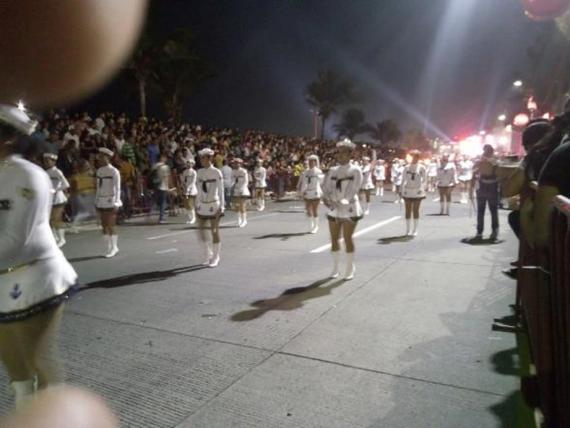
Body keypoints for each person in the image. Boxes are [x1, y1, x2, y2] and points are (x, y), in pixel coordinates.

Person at [0, 103, 77, 408]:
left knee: (38, 359)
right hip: (3, 279)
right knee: (13, 361)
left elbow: (16, 240)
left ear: (7, 137)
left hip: (36, 276)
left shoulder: (27, 176)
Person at [323, 139, 363, 280]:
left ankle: (350, 267)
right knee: (334, 239)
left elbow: (354, 188)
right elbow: (326, 187)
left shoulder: (355, 170)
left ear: (350, 155)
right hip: (334, 207)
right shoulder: (333, 170)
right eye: (338, 153)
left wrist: (344, 201)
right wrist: (326, 199)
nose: (339, 156)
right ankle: (335, 267)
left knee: (347, 238)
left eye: (343, 153)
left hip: (350, 207)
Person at [195, 148, 224, 267]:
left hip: (213, 204)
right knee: (201, 231)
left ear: (210, 158)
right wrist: (197, 203)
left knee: (214, 231)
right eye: (200, 157)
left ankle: (216, 257)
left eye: (203, 157)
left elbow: (221, 190)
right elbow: (198, 189)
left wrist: (222, 205)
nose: (201, 160)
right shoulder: (199, 172)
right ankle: (208, 254)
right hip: (202, 205)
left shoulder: (217, 172)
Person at [95, 147, 122, 257]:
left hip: (111, 200)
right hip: (101, 200)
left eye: (102, 156)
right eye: (99, 156)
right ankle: (110, 246)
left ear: (108, 157)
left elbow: (117, 187)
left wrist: (116, 202)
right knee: (104, 225)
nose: (100, 158)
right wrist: (96, 201)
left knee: (111, 224)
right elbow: (98, 187)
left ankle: (114, 247)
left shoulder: (114, 171)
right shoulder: (99, 171)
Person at [471, 144, 500, 241]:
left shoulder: (482, 161)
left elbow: (474, 174)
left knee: (482, 211)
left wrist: (471, 188)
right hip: (490, 187)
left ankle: (481, 233)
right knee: (492, 211)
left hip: (484, 187)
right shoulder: (495, 161)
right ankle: (493, 232)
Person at [42, 153, 70, 247]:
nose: (46, 162)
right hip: (48, 199)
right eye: (45, 161)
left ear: (53, 161)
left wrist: (55, 190)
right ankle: (54, 237)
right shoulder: (45, 172)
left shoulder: (57, 172)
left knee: (57, 219)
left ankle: (62, 238)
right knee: (49, 220)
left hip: (58, 199)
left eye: (48, 160)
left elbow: (66, 184)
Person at [401, 150, 427, 236]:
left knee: (415, 210)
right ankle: (407, 229)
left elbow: (425, 180)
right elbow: (403, 179)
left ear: (418, 157)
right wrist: (401, 190)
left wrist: (422, 188)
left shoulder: (422, 167)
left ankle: (415, 230)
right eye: (411, 156)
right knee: (407, 210)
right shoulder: (406, 167)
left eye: (414, 156)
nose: (412, 158)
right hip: (408, 190)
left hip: (417, 190)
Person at [298, 154, 324, 234]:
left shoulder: (318, 171)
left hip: (315, 191)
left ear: (315, 162)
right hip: (308, 192)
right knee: (308, 210)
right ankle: (311, 224)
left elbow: (321, 182)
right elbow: (304, 182)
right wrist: (303, 191)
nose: (310, 163)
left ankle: (316, 226)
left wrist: (317, 186)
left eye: (312, 162)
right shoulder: (306, 172)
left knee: (314, 210)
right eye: (309, 162)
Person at [152, 153, 171, 224]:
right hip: (162, 186)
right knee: (163, 202)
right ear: (162, 158)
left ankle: (156, 213)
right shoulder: (165, 167)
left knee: (159, 201)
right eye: (165, 157)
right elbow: (166, 177)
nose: (166, 159)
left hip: (155, 185)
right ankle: (161, 218)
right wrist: (167, 186)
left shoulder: (154, 166)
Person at [232, 158, 250, 227]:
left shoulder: (243, 171)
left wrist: (242, 189)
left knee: (242, 205)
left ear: (240, 164)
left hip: (243, 190)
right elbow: (232, 180)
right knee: (237, 205)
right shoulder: (233, 171)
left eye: (237, 163)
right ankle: (238, 220)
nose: (236, 164)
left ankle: (244, 220)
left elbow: (246, 181)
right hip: (236, 190)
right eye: (235, 163)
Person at [180, 159, 197, 224]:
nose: (188, 164)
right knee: (186, 205)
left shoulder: (194, 172)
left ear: (192, 164)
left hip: (192, 190)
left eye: (190, 163)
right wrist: (183, 186)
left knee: (190, 204)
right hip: (185, 189)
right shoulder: (185, 172)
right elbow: (183, 181)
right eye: (187, 163)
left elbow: (193, 182)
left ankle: (193, 218)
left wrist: (188, 189)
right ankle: (190, 218)